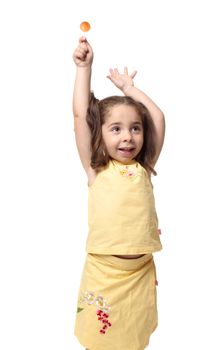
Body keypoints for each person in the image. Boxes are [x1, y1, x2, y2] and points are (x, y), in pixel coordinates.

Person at [72, 36, 165, 350]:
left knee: (134, 337)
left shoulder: (144, 166)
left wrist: (130, 90)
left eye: (135, 128)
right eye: (116, 129)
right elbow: (79, 116)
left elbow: (158, 119)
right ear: (100, 134)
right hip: (105, 273)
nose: (128, 137)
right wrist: (84, 68)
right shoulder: (96, 170)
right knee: (99, 338)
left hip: (138, 272)